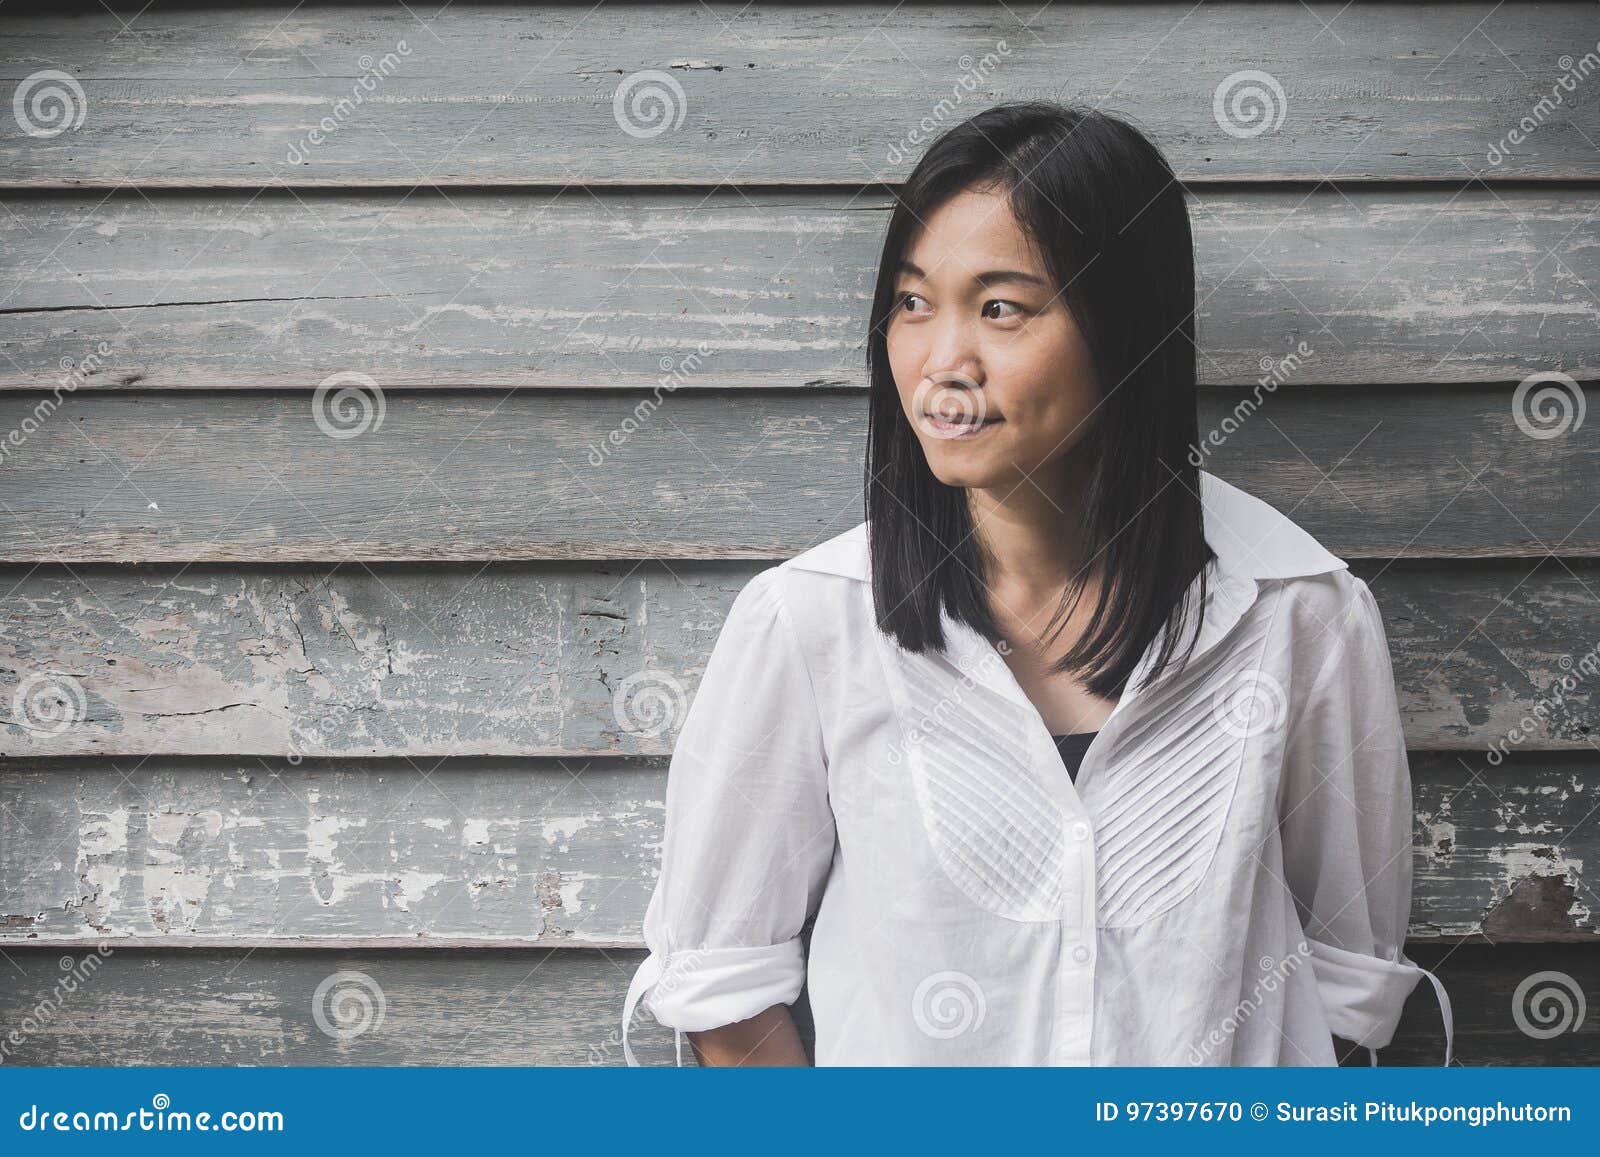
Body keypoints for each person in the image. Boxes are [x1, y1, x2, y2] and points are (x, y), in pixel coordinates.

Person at [621, 101, 1451, 1067]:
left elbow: (1349, 986)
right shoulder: (810, 622)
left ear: (1126, 327)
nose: (943, 363)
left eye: (1002, 307)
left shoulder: (1300, 613)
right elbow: (727, 985)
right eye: (913, 302)